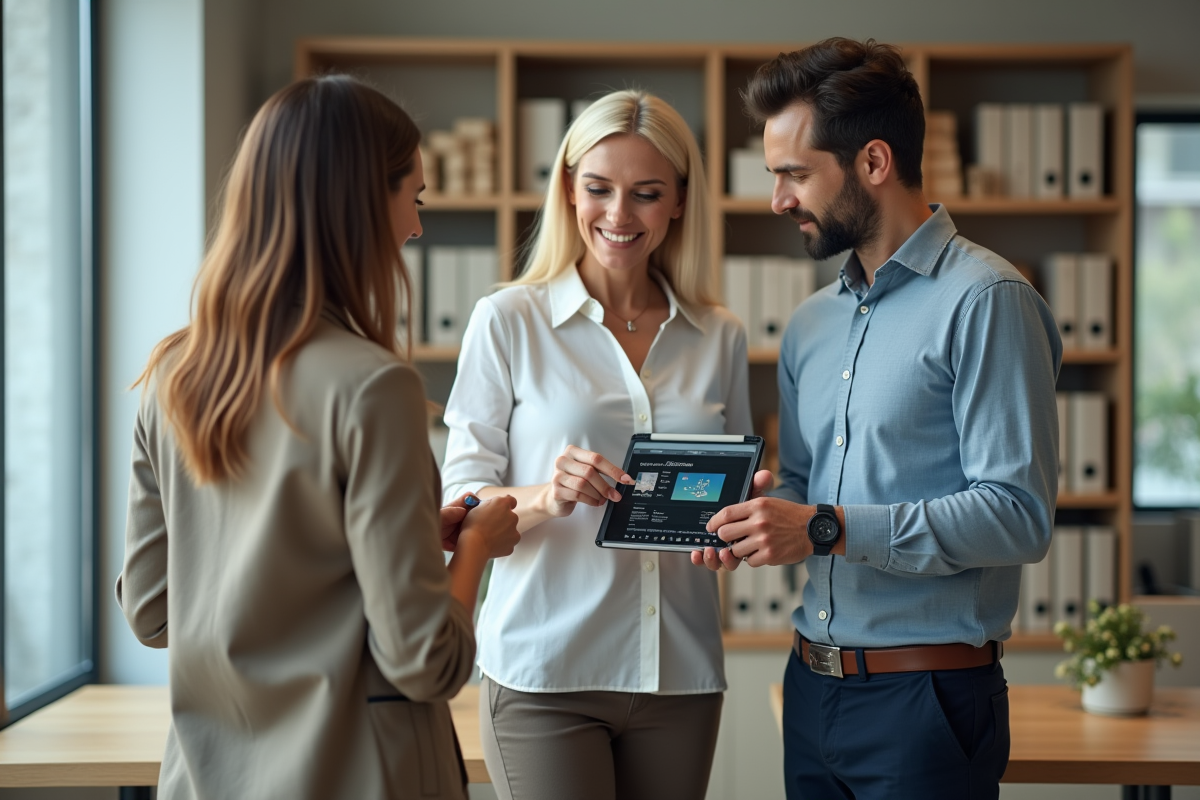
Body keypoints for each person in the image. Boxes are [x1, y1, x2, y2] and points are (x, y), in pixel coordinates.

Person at [116, 75, 520, 800]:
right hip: (358, 773)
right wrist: (479, 549)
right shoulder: (374, 386)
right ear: (363, 203)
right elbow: (425, 659)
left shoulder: (171, 374)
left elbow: (153, 611)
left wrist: (416, 540)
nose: (417, 229)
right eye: (414, 198)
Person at [692, 38, 1062, 800]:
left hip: (926, 699)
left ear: (873, 163)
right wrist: (756, 519)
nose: (778, 199)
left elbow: (1018, 516)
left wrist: (824, 526)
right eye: (773, 176)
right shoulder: (808, 326)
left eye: (795, 174)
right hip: (810, 687)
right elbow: (801, 486)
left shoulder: (986, 301)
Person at [440, 89, 760, 800]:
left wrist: (740, 527)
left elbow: (732, 490)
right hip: (545, 673)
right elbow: (457, 501)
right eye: (599, 189)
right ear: (568, 190)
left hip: (679, 672)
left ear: (679, 201)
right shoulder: (508, 321)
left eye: (646, 194)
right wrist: (543, 496)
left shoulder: (720, 335)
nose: (618, 216)